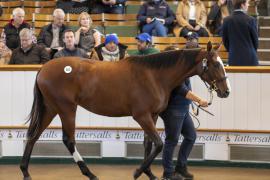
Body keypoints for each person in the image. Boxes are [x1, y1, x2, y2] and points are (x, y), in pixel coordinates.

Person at [160, 43, 208, 180]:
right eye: (176, 54)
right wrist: (199, 100)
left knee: (191, 136)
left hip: (182, 109)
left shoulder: (178, 69)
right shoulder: (170, 71)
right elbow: (182, 90)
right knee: (171, 140)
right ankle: (168, 174)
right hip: (174, 109)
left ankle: (180, 167)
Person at [222, 0, 259, 66]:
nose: (248, 5)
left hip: (234, 58)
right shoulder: (251, 20)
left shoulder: (226, 20)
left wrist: (232, 50)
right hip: (250, 58)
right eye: (247, 3)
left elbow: (225, 41)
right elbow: (255, 42)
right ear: (242, 5)